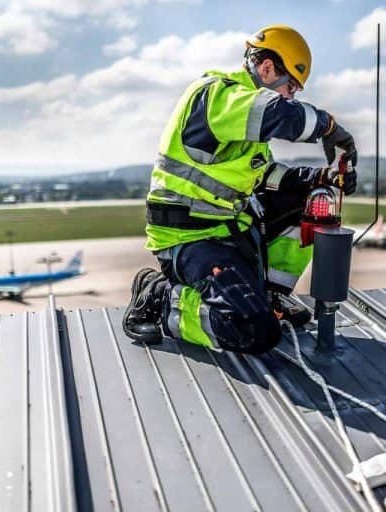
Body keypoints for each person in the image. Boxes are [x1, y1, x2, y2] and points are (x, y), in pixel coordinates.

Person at [123, 24, 357, 354]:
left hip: (225, 229)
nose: (291, 94)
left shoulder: (244, 120)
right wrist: (329, 128)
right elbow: (280, 115)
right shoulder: (218, 95)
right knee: (252, 330)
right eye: (291, 85)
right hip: (189, 238)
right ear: (266, 68)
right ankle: (161, 296)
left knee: (314, 200)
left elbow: (263, 176)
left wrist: (322, 178)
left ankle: (272, 294)